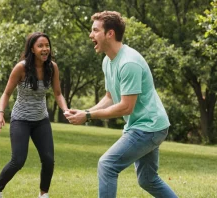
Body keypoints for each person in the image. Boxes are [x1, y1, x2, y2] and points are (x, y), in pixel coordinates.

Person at [65, 11, 177, 198]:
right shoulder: (108, 62)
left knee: (107, 164)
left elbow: (126, 107)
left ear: (110, 33)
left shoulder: (129, 62)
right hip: (144, 125)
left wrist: (89, 116)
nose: (91, 35)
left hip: (148, 127)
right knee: (147, 179)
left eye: (95, 30)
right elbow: (110, 97)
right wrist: (86, 111)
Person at [0, 32, 69, 198]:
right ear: (32, 49)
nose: (45, 49)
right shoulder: (21, 67)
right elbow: (6, 93)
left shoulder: (52, 67)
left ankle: (43, 194)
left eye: (47, 45)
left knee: (48, 160)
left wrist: (65, 110)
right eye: (40, 46)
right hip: (21, 120)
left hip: (41, 119)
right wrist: (0, 114)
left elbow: (58, 93)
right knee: (18, 160)